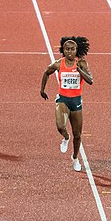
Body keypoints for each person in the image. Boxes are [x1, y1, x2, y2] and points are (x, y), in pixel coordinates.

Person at [40, 36, 93, 172]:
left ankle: (75, 158)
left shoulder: (81, 63)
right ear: (63, 50)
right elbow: (46, 72)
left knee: (78, 135)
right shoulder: (58, 64)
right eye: (67, 49)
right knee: (60, 125)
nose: (70, 52)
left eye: (72, 49)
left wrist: (80, 71)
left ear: (77, 50)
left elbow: (90, 81)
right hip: (63, 99)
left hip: (76, 101)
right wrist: (42, 90)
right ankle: (65, 137)